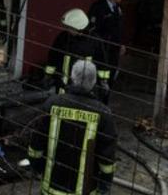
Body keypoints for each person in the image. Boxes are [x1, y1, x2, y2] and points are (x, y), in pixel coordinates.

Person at [28, 60, 118, 195]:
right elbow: (107, 157)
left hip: (51, 189)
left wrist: (36, 166)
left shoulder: (52, 104)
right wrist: (105, 184)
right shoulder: (103, 113)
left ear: (72, 77)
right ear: (93, 82)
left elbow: (37, 142)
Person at [45, 8, 110, 102]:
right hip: (63, 86)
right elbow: (53, 58)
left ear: (79, 28)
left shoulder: (95, 41)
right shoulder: (62, 38)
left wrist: (104, 82)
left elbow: (102, 63)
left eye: (69, 28)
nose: (67, 30)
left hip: (85, 89)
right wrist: (48, 75)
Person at [88, 0, 125, 85]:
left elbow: (119, 29)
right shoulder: (98, 7)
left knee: (111, 74)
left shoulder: (117, 8)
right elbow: (93, 29)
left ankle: (107, 92)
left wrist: (121, 44)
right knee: (100, 75)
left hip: (114, 49)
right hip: (101, 49)